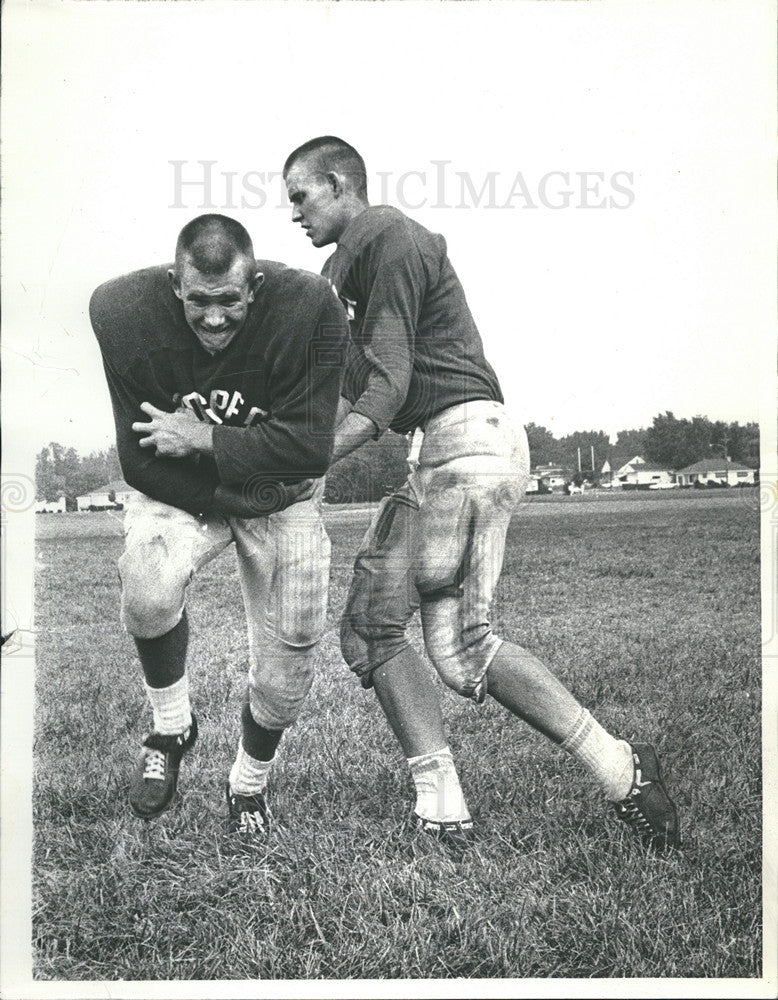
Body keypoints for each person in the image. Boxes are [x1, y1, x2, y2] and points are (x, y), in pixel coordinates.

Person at [283, 137, 680, 850]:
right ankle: (448, 800)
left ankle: (618, 770)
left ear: (340, 183)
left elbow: (391, 380)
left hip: (465, 441)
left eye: (300, 196)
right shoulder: (345, 265)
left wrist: (313, 456)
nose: (293, 213)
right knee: (376, 628)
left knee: (460, 646)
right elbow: (345, 383)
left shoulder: (389, 235)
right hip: (440, 449)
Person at [89, 214, 348, 833]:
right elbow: (139, 460)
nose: (213, 318)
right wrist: (243, 490)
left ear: (254, 287)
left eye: (229, 300)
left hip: (279, 494)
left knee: (289, 668)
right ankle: (172, 727)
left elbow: (310, 450)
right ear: (174, 285)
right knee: (147, 582)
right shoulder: (122, 311)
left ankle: (249, 782)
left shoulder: (309, 306)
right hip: (233, 489)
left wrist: (202, 435)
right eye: (198, 300)